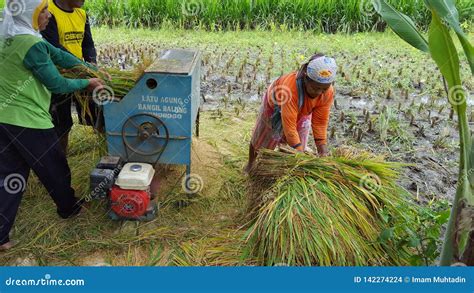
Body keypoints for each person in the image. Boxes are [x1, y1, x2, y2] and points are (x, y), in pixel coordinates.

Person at [0, 0, 104, 251]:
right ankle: (69, 209)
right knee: (54, 165)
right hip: (28, 119)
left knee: (10, 175)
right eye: (42, 11)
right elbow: (57, 84)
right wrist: (87, 83)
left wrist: (89, 67)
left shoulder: (13, 35)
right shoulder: (32, 44)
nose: (47, 15)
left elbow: (58, 55)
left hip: (4, 118)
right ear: (28, 13)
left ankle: (1, 237)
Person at [245, 54, 337, 172]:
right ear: (305, 79)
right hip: (276, 105)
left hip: (302, 109)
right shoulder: (290, 89)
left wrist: (322, 150)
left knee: (298, 141)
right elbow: (289, 128)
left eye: (324, 89)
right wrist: (300, 154)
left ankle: (283, 169)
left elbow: (320, 122)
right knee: (264, 138)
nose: (319, 92)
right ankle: (251, 164)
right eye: (315, 88)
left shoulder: (327, 93)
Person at [41, 0, 102, 154]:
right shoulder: (48, 12)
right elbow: (55, 50)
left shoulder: (81, 14)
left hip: (82, 73)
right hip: (58, 77)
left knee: (99, 114)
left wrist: (91, 64)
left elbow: (88, 44)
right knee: (61, 123)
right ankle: (60, 161)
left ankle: (108, 153)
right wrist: (82, 69)